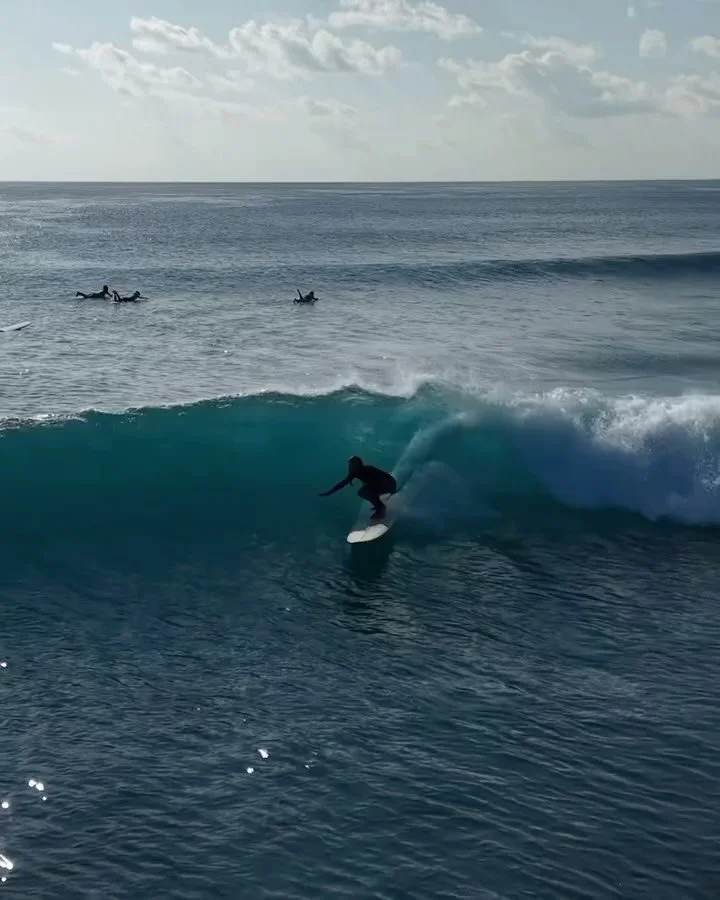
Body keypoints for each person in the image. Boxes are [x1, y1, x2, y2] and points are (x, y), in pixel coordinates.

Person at [319, 456, 397, 520]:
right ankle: (379, 505)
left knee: (365, 491)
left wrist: (392, 491)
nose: (351, 466)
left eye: (353, 464)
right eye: (350, 464)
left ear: (359, 464)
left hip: (389, 484)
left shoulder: (367, 469)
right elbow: (341, 484)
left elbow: (382, 479)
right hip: (383, 485)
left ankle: (381, 508)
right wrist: (328, 493)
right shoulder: (354, 473)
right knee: (362, 492)